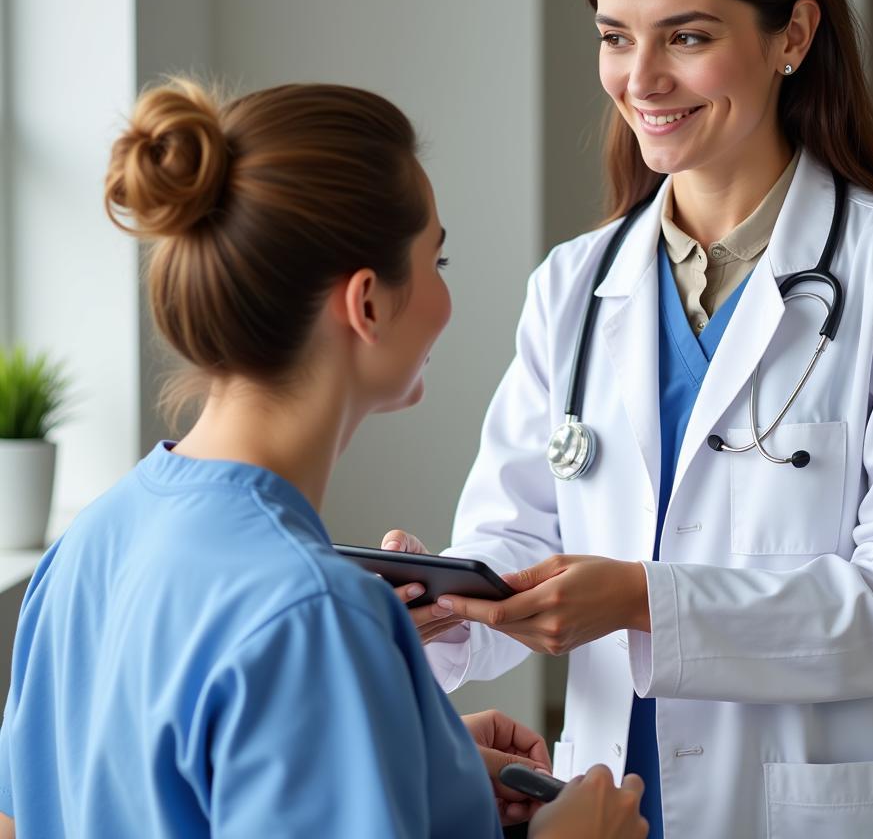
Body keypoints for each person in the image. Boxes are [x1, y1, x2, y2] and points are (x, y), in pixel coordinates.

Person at [384, 0, 873, 839]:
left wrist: (641, 599)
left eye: (686, 36)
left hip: (832, 809)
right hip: (613, 804)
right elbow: (519, 532)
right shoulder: (575, 284)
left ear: (791, 35)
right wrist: (450, 599)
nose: (641, 80)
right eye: (614, 37)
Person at [0, 80, 648, 838]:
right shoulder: (319, 615)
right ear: (367, 304)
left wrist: (416, 760)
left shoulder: (89, 545)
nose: (445, 297)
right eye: (439, 260)